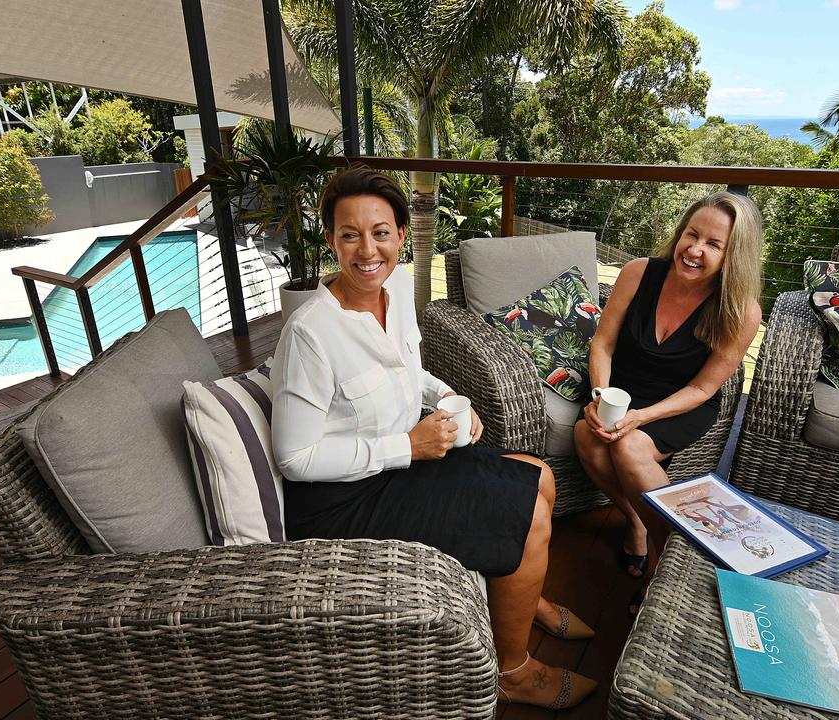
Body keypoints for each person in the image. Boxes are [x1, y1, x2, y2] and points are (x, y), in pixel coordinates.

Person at [272, 166, 597, 710]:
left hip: (402, 460)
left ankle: (524, 593)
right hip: (343, 500)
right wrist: (410, 447)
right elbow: (294, 458)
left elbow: (410, 370)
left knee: (540, 476)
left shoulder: (396, 291)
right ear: (331, 240)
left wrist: (450, 400)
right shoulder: (309, 335)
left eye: (380, 232)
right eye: (349, 234)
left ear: (401, 234)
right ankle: (512, 671)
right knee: (532, 514)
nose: (367, 249)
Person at [574, 191, 762, 582]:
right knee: (586, 436)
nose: (695, 250)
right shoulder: (638, 272)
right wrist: (600, 398)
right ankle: (637, 522)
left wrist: (641, 418)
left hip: (680, 402)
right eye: (691, 235)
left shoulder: (742, 311)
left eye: (714, 244)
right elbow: (603, 343)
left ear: (734, 255)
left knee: (628, 447)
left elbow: (702, 390)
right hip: (620, 388)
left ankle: (667, 568)